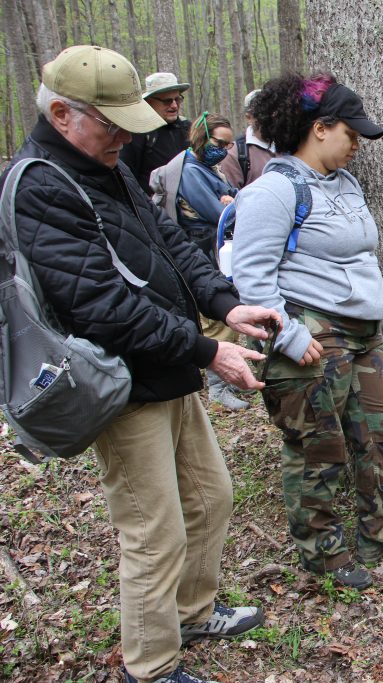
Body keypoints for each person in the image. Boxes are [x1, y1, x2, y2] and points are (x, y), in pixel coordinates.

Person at [5, 45, 279, 683]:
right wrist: (210, 351)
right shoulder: (43, 184)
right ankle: (150, 666)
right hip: (119, 383)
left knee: (210, 497)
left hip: (165, 363)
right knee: (154, 530)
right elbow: (102, 308)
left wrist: (225, 304)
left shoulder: (104, 164)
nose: (125, 135)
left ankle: (191, 611)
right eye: (112, 122)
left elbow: (168, 241)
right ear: (63, 114)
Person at [232, 72, 383, 591]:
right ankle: (325, 556)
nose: (357, 144)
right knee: (320, 448)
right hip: (311, 336)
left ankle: (380, 529)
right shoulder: (273, 190)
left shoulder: (344, 182)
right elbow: (250, 277)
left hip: (362, 335)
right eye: (351, 134)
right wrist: (288, 336)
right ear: (319, 128)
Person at [177, 112, 249, 410]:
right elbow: (216, 210)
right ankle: (219, 387)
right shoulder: (190, 170)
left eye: (229, 145)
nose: (224, 150)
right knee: (216, 320)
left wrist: (235, 200)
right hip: (201, 248)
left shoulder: (209, 168)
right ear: (202, 138)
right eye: (220, 143)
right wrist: (233, 204)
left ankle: (230, 381)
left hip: (215, 247)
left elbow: (234, 197)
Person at [119, 71, 191, 193]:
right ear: (149, 102)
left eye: (177, 99)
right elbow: (127, 177)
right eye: (167, 101)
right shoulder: (138, 132)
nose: (174, 106)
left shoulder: (187, 128)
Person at [221, 88, 277, 188]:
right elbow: (231, 198)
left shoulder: (289, 144)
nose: (270, 118)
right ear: (249, 117)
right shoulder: (235, 154)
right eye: (263, 114)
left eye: (273, 113)